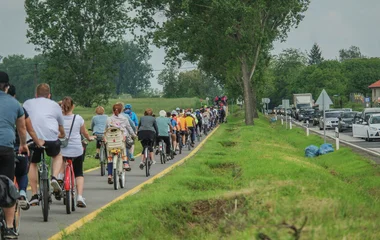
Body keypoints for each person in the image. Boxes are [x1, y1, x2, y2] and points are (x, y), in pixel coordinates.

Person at [23, 83, 66, 206]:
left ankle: (35, 194)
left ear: (35, 95)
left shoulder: (27, 103)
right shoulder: (54, 105)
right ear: (49, 95)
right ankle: (54, 177)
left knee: (32, 163)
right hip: (51, 138)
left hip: (32, 138)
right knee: (57, 155)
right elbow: (60, 125)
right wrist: (62, 134)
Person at [0, 71, 29, 239]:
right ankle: (10, 227)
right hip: (5, 148)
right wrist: (23, 145)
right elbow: (22, 129)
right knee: (7, 185)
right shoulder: (15, 103)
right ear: (7, 86)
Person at [7, 85, 44, 210]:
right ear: (15, 95)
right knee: (23, 171)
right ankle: (22, 193)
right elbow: (28, 129)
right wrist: (37, 143)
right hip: (17, 147)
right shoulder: (19, 108)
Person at [58, 97, 95, 207]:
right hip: (76, 149)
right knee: (79, 173)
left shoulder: (58, 119)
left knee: (61, 160)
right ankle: (79, 196)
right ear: (73, 106)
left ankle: (60, 177)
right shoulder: (78, 118)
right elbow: (84, 133)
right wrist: (89, 138)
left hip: (63, 148)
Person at [105, 103, 136, 184]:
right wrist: (133, 135)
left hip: (111, 140)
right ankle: (125, 163)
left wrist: (104, 137)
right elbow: (129, 128)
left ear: (113, 110)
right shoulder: (124, 118)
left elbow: (105, 130)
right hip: (121, 139)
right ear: (122, 110)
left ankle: (109, 175)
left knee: (110, 157)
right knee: (123, 149)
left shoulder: (109, 119)